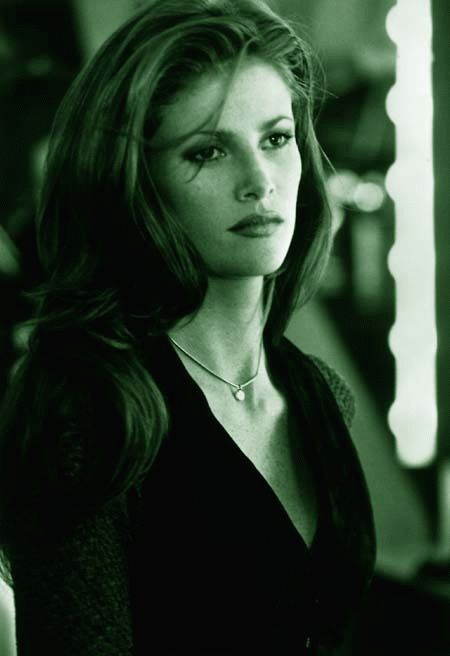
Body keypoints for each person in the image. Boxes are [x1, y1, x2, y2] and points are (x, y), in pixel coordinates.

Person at [0, 0, 376, 653]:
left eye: (276, 138)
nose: (259, 182)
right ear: (138, 183)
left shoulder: (321, 394)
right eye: (208, 151)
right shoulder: (89, 407)